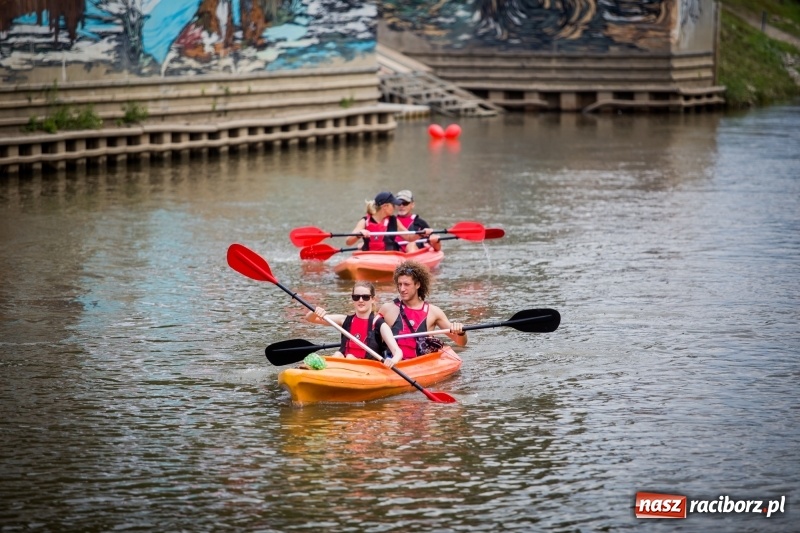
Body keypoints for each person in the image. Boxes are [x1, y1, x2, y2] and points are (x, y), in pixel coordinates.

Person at [378, 260, 466, 360]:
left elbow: (461, 342)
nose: (402, 289)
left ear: (417, 285)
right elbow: (371, 337)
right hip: (392, 363)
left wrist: (461, 332)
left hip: (420, 365)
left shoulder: (433, 312)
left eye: (406, 284)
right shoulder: (387, 309)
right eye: (399, 284)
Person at [305, 281, 404, 368]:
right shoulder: (344, 320)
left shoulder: (379, 324)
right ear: (353, 299)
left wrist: (392, 361)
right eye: (356, 297)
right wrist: (315, 311)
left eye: (365, 297)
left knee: (349, 356)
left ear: (373, 299)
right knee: (338, 354)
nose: (360, 300)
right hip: (344, 366)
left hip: (368, 370)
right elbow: (310, 319)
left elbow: (398, 352)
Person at [345, 191, 424, 253]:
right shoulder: (364, 221)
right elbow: (348, 242)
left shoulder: (394, 221)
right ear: (385, 207)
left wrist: (422, 233)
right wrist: (359, 234)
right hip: (369, 257)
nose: (395, 208)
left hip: (390, 257)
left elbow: (409, 237)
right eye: (393, 205)